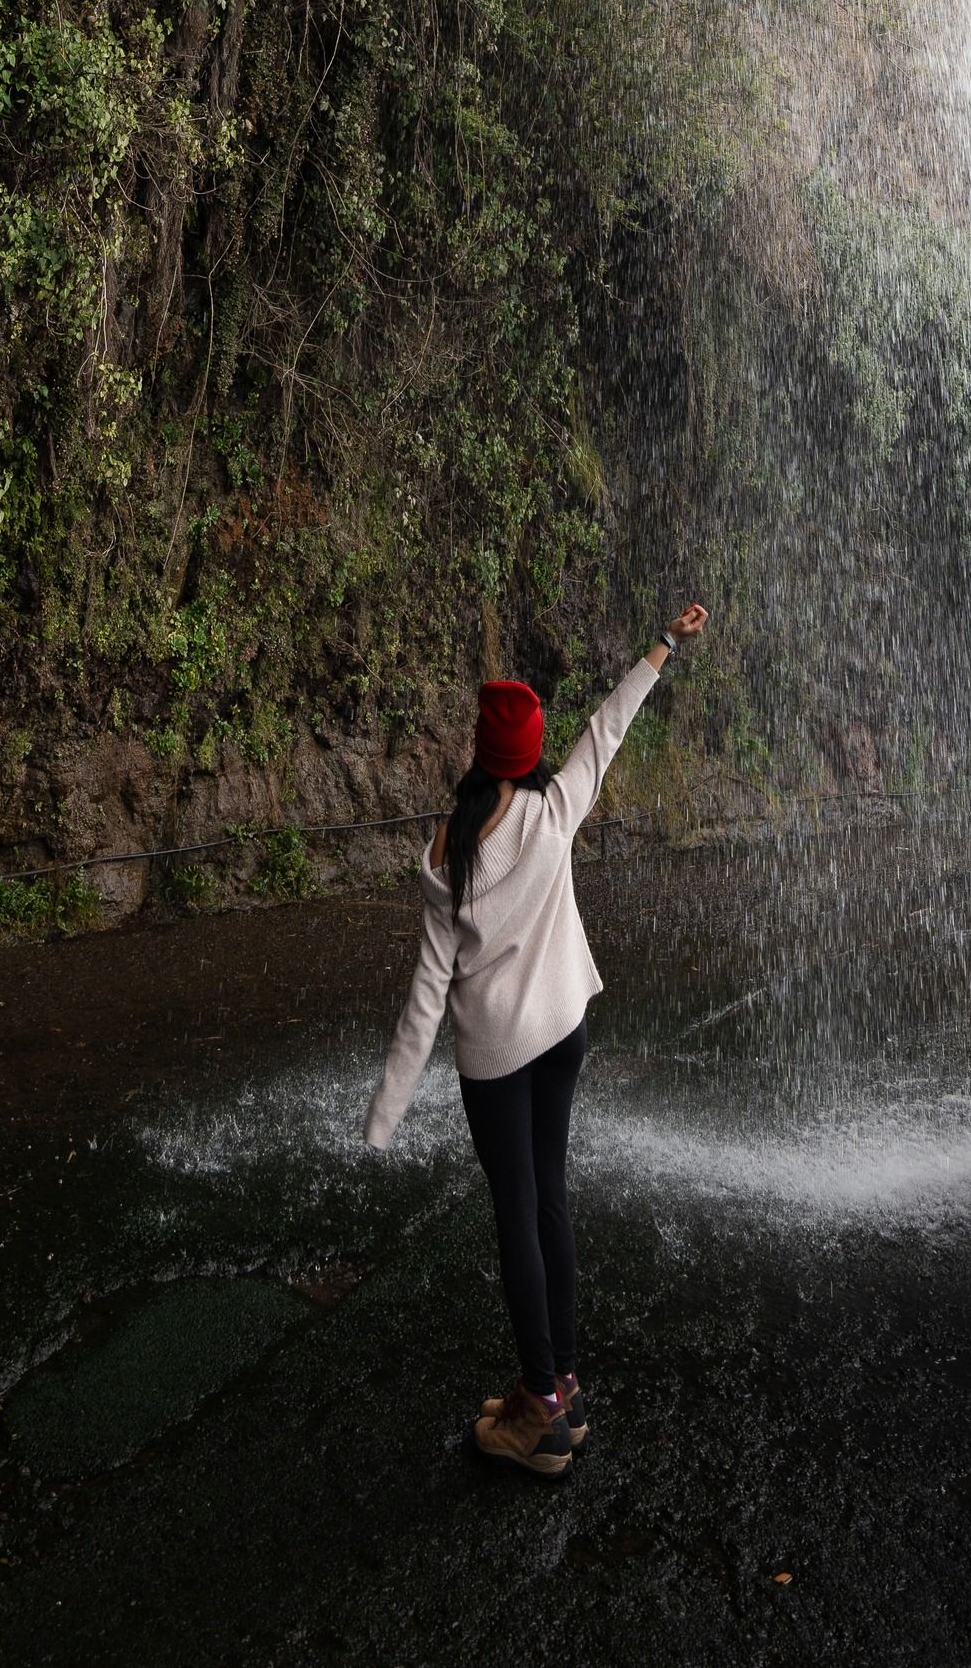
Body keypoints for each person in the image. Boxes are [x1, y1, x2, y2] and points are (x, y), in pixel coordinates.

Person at [362, 601, 711, 1476]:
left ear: (479, 748)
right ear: (531, 750)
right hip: (565, 1030)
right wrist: (663, 644)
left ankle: (540, 1415)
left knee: (515, 1212)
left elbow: (426, 997)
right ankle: (562, 1384)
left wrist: (383, 1114)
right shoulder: (555, 811)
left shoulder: (448, 850)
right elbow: (609, 727)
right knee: (548, 1195)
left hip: (498, 1058)